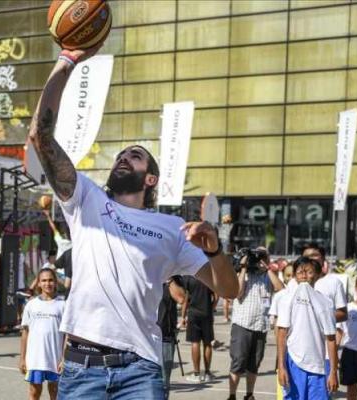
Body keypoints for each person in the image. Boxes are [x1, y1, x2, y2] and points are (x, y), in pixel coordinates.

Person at [28, 41, 238, 399]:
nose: (124, 157)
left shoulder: (172, 228)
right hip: (82, 367)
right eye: (121, 155)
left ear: (150, 178)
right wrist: (66, 62)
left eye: (135, 156)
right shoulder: (86, 198)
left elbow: (230, 291)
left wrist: (216, 251)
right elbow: (40, 136)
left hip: (140, 370)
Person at [276, 257, 338, 400]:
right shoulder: (286, 299)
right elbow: (281, 334)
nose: (304, 276)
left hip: (318, 366)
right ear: (295, 276)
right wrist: (281, 367)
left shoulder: (326, 302)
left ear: (316, 275)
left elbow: (331, 338)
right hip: (294, 363)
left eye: (309, 272)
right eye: (300, 272)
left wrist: (333, 371)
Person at [227, 247, 284, 400]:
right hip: (242, 324)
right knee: (238, 361)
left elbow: (281, 289)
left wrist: (268, 268)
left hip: (261, 326)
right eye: (258, 256)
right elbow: (238, 293)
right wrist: (243, 267)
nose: (261, 260)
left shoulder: (268, 276)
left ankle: (249, 394)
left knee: (254, 363)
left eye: (264, 256)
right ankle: (232, 395)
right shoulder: (243, 275)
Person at [20, 268, 66, 400]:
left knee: (55, 392)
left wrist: (64, 359)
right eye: (44, 280)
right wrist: (22, 358)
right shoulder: (31, 305)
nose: (47, 283)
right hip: (35, 358)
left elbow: (67, 336)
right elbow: (25, 333)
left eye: (50, 280)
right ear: (39, 283)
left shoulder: (63, 305)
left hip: (55, 358)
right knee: (34, 392)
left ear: (56, 282)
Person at [182, 276, 217, 383]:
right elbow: (216, 296)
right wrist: (211, 308)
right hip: (206, 313)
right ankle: (207, 373)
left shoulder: (189, 278)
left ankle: (196, 373)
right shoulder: (209, 277)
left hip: (193, 313)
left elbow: (186, 299)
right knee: (207, 343)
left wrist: (183, 316)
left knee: (195, 342)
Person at [158, 276, 186, 399]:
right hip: (146, 337)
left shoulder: (171, 281)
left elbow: (181, 298)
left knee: (163, 382)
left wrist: (169, 279)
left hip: (165, 337)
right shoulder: (148, 277)